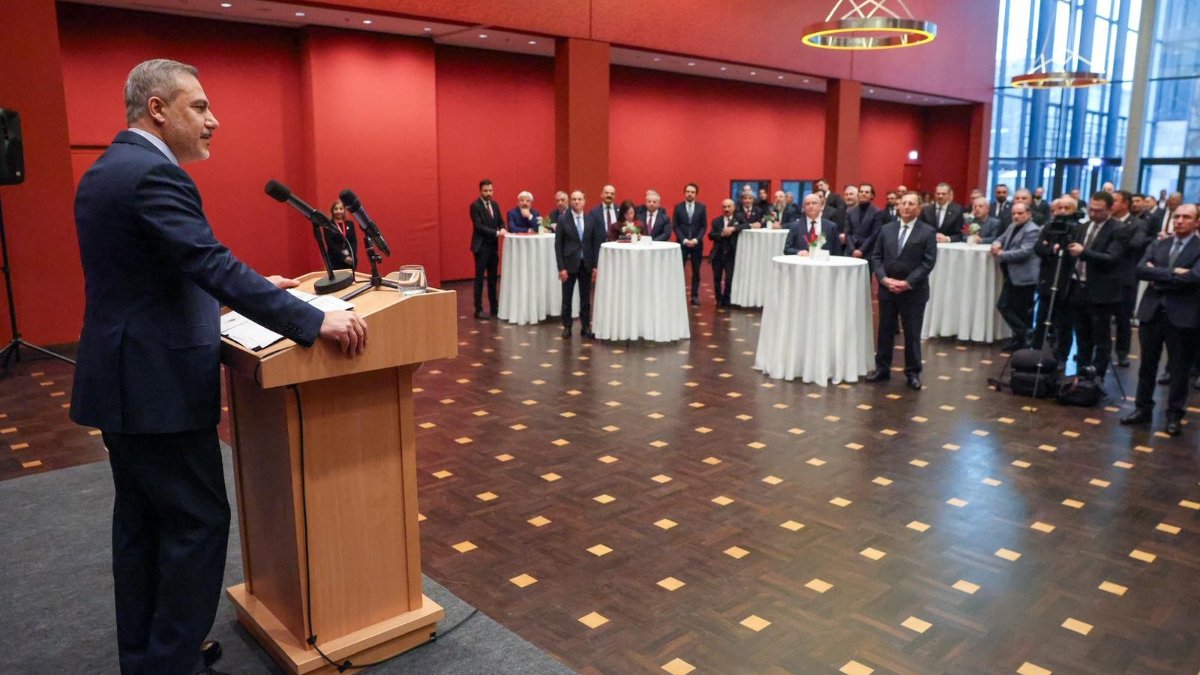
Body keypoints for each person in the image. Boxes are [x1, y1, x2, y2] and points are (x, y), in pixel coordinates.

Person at [71, 59, 367, 675]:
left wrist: (242, 294)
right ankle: (171, 662)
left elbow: (156, 275)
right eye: (200, 106)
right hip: (157, 389)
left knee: (143, 528)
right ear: (157, 109)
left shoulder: (107, 169)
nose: (214, 120)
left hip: (124, 382)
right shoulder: (154, 173)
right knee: (196, 525)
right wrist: (312, 320)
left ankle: (151, 656)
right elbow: (207, 261)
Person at [1121, 203, 1200, 436]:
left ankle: (1174, 416)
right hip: (1152, 312)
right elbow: (1141, 270)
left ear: (1197, 222)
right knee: (1147, 366)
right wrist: (1174, 272)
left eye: (1186, 217)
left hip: (1183, 315)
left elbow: (1195, 277)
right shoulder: (1159, 243)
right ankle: (1142, 408)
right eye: (1177, 217)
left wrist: (1159, 275)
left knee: (1179, 370)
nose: (1180, 221)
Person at [866, 193, 937, 390]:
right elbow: (876, 256)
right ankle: (882, 369)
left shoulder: (927, 232)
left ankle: (913, 373)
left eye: (911, 204)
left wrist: (908, 282)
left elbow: (928, 262)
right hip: (887, 289)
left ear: (919, 209)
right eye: (903, 203)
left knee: (912, 334)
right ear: (898, 207)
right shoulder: (886, 229)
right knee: (885, 331)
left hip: (913, 291)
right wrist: (883, 279)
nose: (906, 207)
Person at [1066, 191, 1126, 380]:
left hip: (1102, 291)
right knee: (1081, 335)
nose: (1093, 213)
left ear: (1110, 209)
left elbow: (1112, 258)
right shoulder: (1084, 227)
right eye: (1091, 209)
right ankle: (1081, 374)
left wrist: (1084, 253)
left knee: (1101, 338)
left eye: (1098, 210)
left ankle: (1097, 376)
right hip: (1079, 286)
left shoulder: (1118, 229)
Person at [1031, 196, 1080, 365]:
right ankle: (1036, 352)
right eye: (1060, 208)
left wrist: (1056, 248)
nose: (1063, 212)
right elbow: (1039, 248)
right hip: (1048, 278)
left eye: (1067, 208)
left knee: (1065, 322)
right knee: (1041, 318)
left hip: (1067, 282)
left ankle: (1062, 357)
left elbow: (1071, 252)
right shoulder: (1048, 227)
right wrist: (1052, 249)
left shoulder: (1077, 229)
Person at [991, 202, 1042, 351]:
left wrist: (1001, 254)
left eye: (1020, 213)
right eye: (1014, 213)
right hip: (1011, 274)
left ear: (1028, 214)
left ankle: (1025, 335)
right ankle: (1021, 337)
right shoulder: (1012, 226)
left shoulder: (1033, 230)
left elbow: (1024, 252)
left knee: (1016, 309)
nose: (1016, 216)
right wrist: (996, 244)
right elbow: (1001, 238)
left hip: (1024, 276)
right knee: (1007, 306)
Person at [556, 190, 604, 339]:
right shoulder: (563, 220)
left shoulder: (591, 219)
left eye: (579, 199)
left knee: (585, 298)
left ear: (584, 201)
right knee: (567, 298)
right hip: (569, 264)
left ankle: (585, 326)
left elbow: (595, 244)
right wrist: (561, 268)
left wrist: (595, 266)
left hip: (586, 264)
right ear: (570, 201)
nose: (577, 201)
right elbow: (558, 246)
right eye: (574, 199)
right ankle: (567, 327)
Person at [1111, 190, 1149, 367]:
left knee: (1123, 319)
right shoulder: (1107, 222)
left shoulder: (1137, 224)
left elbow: (1136, 244)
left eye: (1114, 201)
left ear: (1125, 204)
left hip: (1124, 277)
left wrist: (1116, 236)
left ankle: (1122, 353)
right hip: (1104, 277)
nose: (1111, 204)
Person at [469, 179, 506, 319]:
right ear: (480, 191)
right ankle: (478, 309)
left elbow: (500, 221)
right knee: (479, 278)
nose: (488, 193)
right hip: (481, 247)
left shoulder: (495, 205)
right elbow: (479, 227)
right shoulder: (475, 206)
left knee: (493, 278)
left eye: (490, 190)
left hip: (493, 247)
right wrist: (497, 233)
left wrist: (502, 228)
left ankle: (494, 307)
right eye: (485, 191)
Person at [672, 183, 708, 306]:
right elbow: (675, 226)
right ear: (685, 193)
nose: (690, 194)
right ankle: (678, 295)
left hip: (697, 244)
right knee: (679, 270)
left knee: (696, 271)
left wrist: (696, 239)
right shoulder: (678, 207)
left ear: (696, 194)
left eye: (692, 192)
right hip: (682, 243)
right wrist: (683, 239)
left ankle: (694, 296)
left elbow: (704, 226)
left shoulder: (701, 207)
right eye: (688, 191)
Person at [709, 198, 740, 307]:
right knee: (717, 277)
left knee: (729, 278)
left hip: (731, 254)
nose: (726, 209)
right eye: (724, 207)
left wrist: (733, 229)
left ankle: (727, 298)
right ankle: (718, 299)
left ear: (733, 208)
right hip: (718, 253)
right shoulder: (716, 221)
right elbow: (711, 235)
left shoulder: (738, 220)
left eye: (729, 206)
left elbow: (746, 225)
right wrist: (722, 234)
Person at [840, 185, 880, 259]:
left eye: (866, 192)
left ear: (872, 195)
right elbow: (847, 233)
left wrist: (861, 250)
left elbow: (874, 235)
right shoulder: (850, 212)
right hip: (850, 251)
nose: (863, 194)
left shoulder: (877, 212)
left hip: (867, 252)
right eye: (861, 192)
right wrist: (853, 250)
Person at [325, 199, 358, 270]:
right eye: (336, 209)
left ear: (344, 210)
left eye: (341, 209)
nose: (338, 211)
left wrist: (351, 255)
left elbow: (353, 241)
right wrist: (344, 257)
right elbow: (331, 244)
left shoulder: (350, 224)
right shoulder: (328, 225)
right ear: (332, 211)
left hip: (349, 260)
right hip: (335, 260)